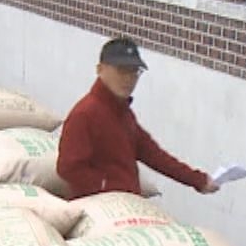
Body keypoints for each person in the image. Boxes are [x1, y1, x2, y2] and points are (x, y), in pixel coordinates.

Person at [57, 36, 216, 200]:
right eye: (122, 70)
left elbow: (155, 155)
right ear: (100, 69)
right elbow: (68, 168)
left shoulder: (124, 114)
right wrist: (108, 186)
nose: (128, 79)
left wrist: (198, 180)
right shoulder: (84, 114)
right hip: (98, 209)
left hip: (127, 204)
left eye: (134, 72)